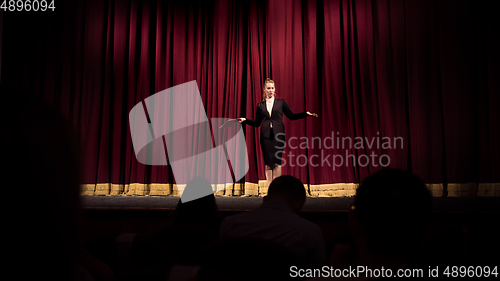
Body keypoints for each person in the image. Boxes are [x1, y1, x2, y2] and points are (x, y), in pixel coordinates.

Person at [220, 175, 326, 268]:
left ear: (265, 199)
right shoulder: (310, 231)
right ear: (299, 204)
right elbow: (316, 274)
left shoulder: (231, 224)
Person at [238, 78, 318, 187]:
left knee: (277, 162)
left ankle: (276, 189)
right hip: (265, 137)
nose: (271, 90)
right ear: (264, 89)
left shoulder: (281, 102)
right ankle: (270, 189)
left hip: (278, 136)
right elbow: (257, 123)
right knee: (268, 163)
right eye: (268, 88)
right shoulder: (260, 105)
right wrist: (245, 120)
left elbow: (291, 116)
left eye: (272, 88)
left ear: (275, 89)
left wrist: (306, 113)